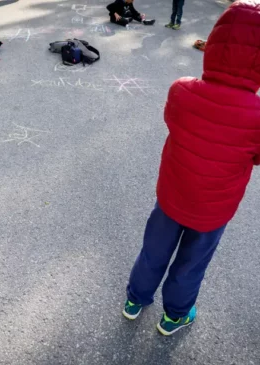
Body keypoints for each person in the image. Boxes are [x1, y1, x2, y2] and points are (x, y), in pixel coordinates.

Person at [122, 0, 260, 336]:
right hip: (214, 209)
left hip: (171, 195)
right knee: (191, 264)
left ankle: (135, 300)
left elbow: (173, 122)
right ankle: (175, 316)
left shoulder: (181, 90)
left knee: (153, 250)